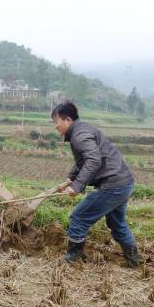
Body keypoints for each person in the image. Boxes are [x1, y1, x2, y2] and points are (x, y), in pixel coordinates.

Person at [51, 100, 140, 267]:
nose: (55, 126)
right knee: (117, 224)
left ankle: (73, 260)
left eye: (56, 122)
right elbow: (82, 161)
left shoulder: (79, 136)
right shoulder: (82, 130)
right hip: (124, 183)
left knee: (78, 218)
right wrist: (71, 178)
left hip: (112, 185)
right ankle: (134, 262)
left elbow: (93, 160)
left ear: (68, 120)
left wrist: (77, 187)